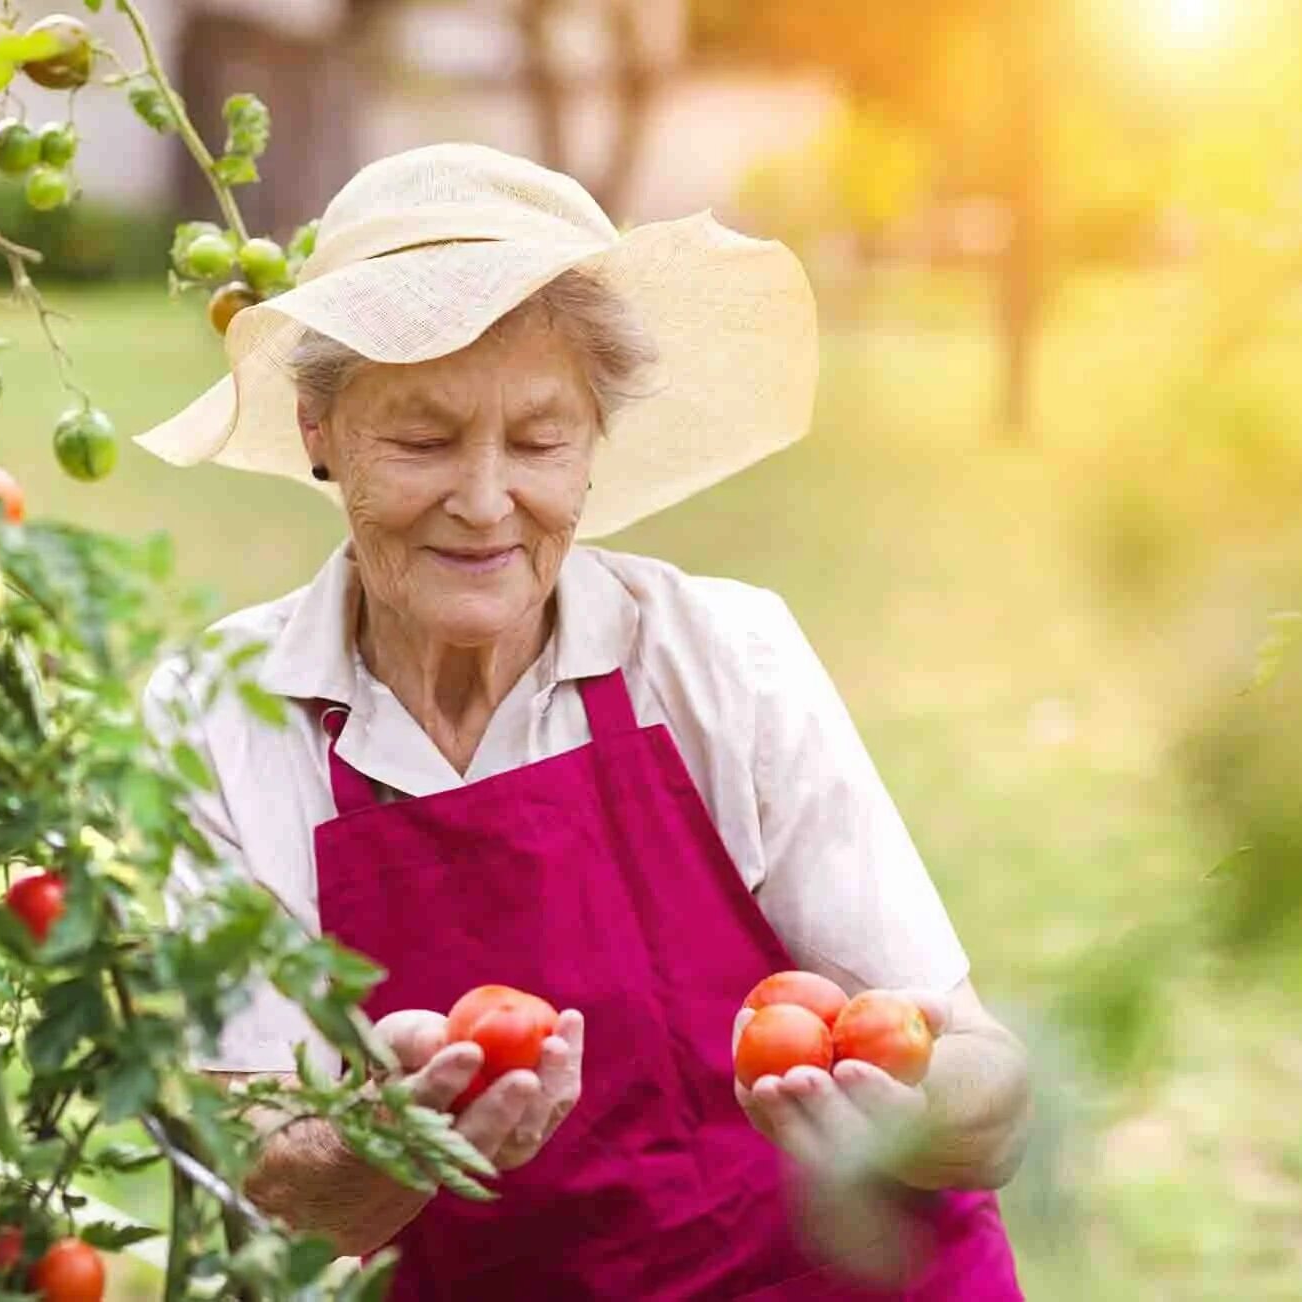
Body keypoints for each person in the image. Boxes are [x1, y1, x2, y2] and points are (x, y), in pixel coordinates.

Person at [137, 142, 1030, 1299]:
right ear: (319, 428)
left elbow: (984, 1078)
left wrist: (914, 1108)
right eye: (421, 438)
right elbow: (256, 1181)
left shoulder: (723, 656)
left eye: (541, 438)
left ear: (595, 439)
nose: (483, 500)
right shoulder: (220, 717)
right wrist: (387, 1142)